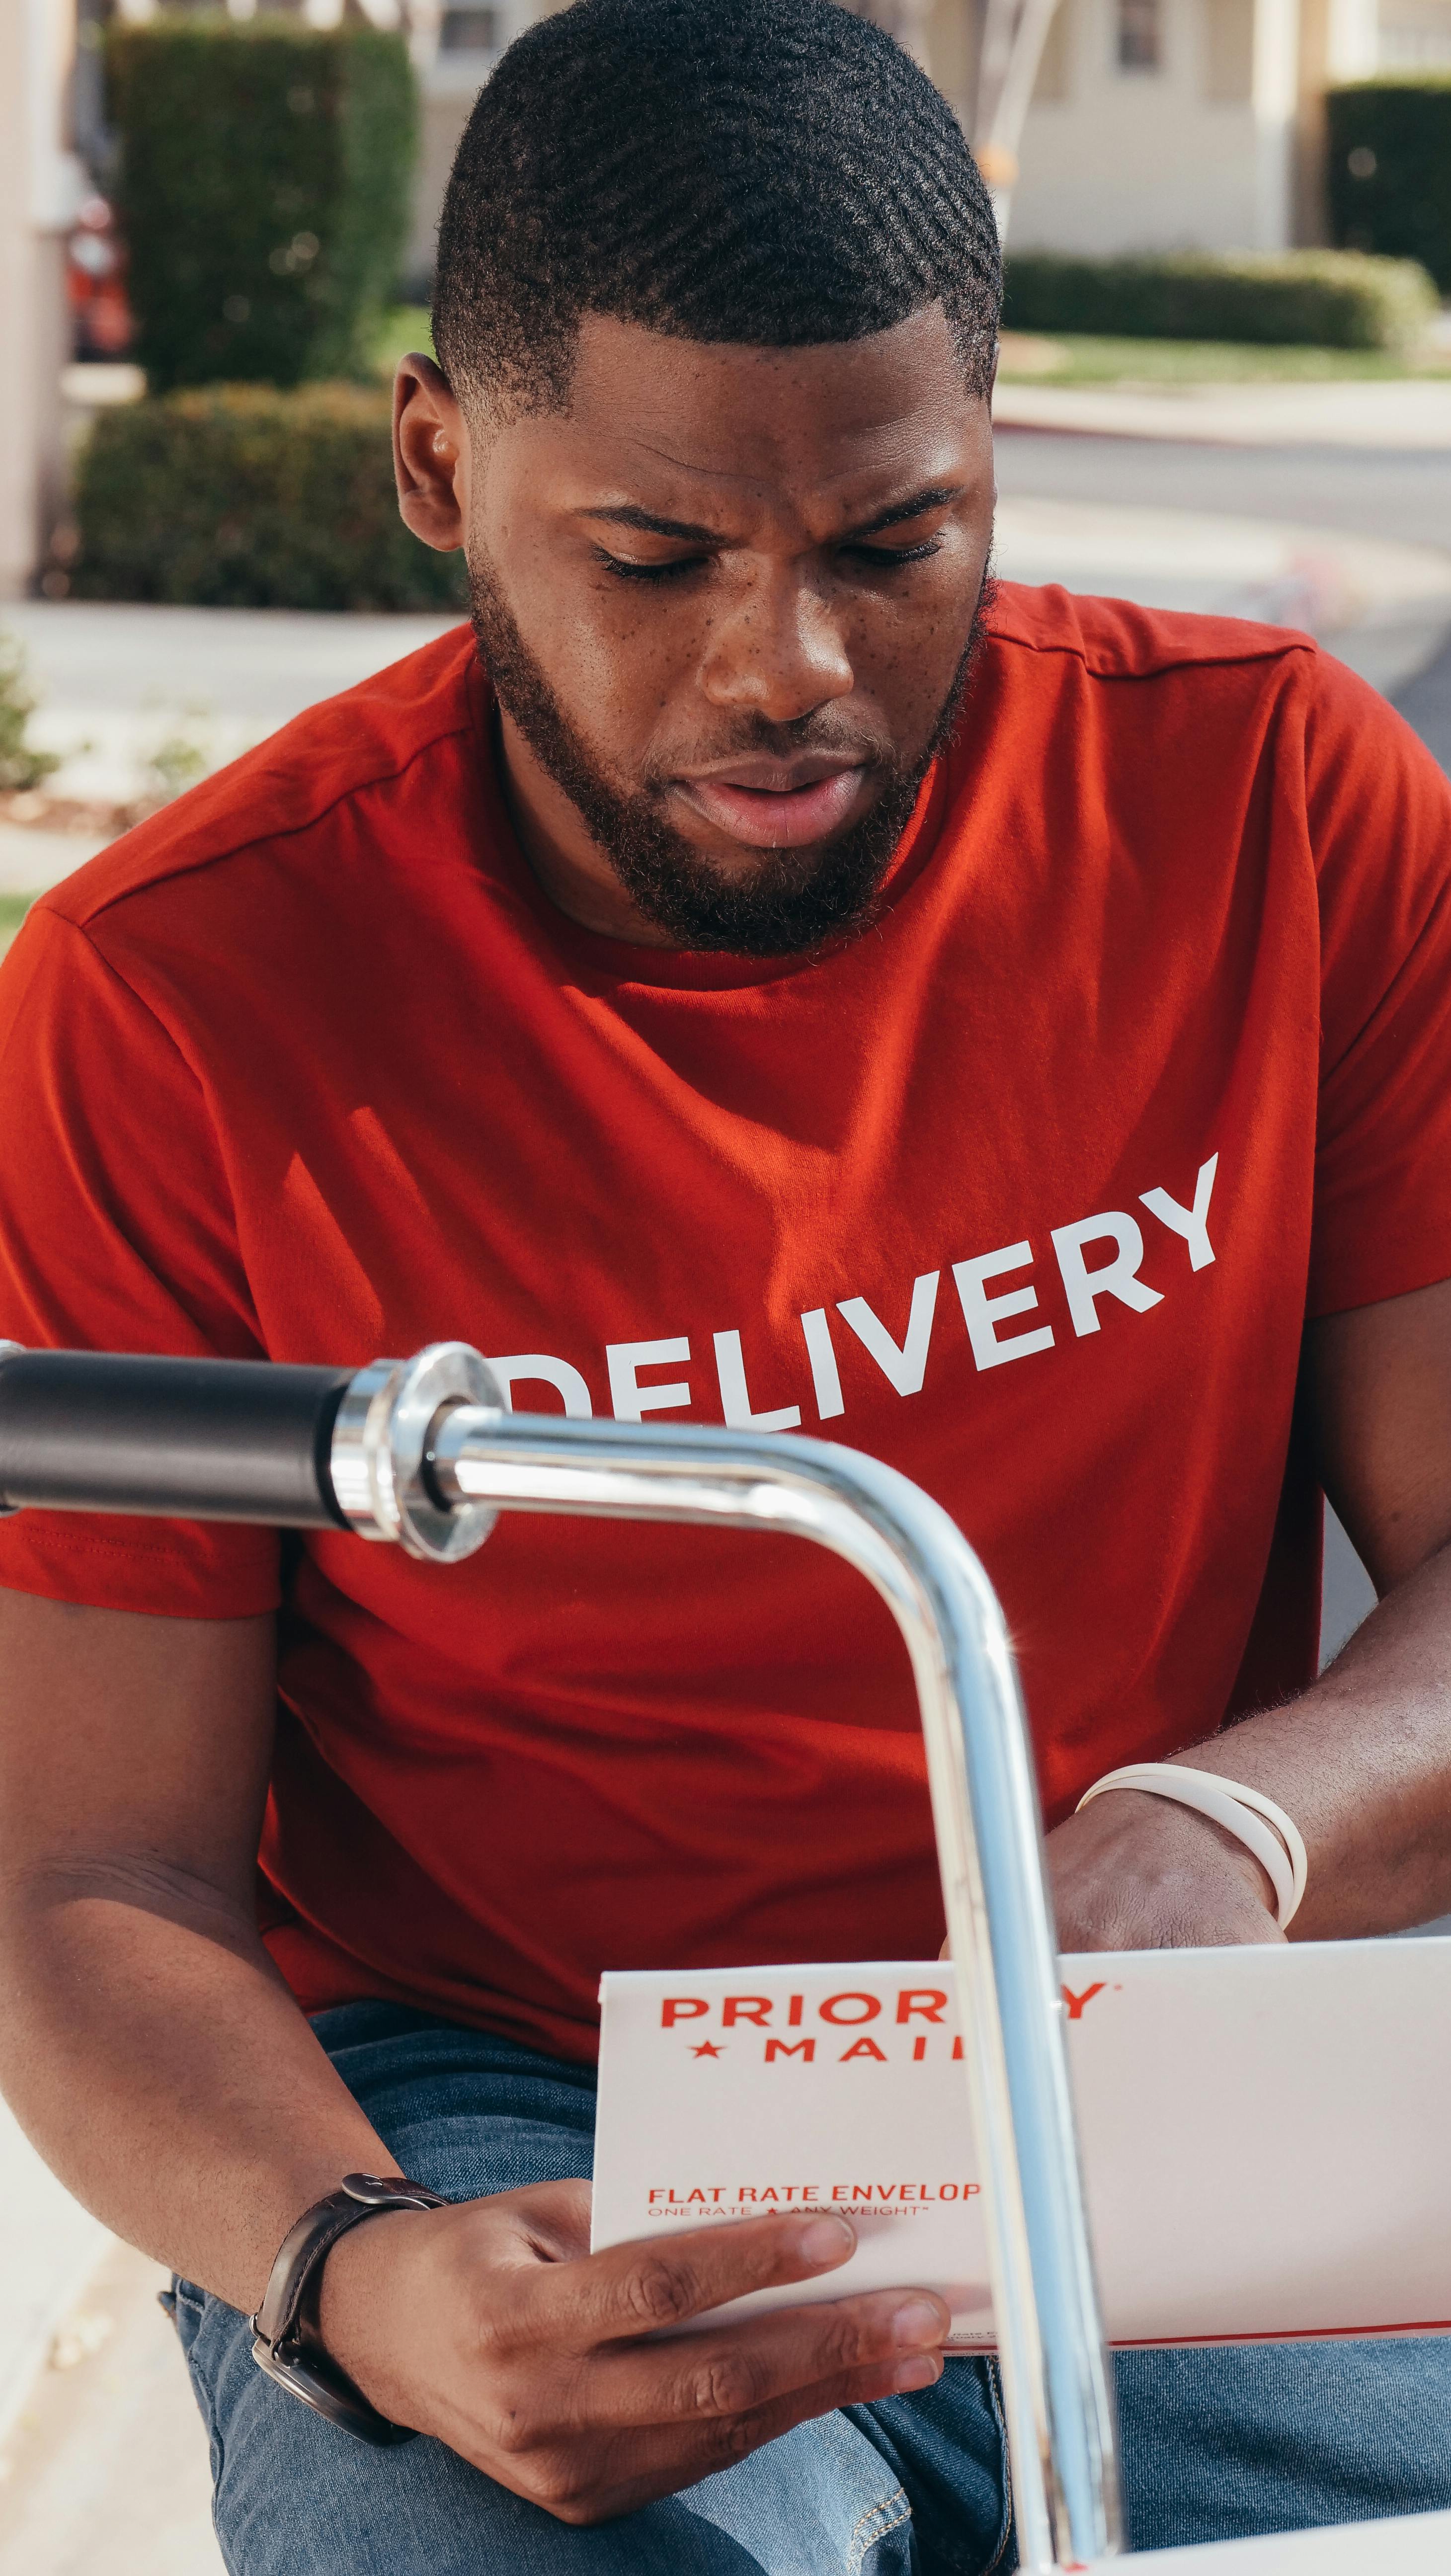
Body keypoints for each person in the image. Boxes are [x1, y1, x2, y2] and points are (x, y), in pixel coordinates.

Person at [0, 0, 1450, 2567]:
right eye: (657, 560)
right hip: (501, 2117)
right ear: (442, 466)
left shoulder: (1271, 798)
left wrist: (1241, 1817)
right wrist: (350, 2273)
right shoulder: (167, 1000)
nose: (789, 667)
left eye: (894, 545)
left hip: (1165, 2045)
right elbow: (87, 1880)